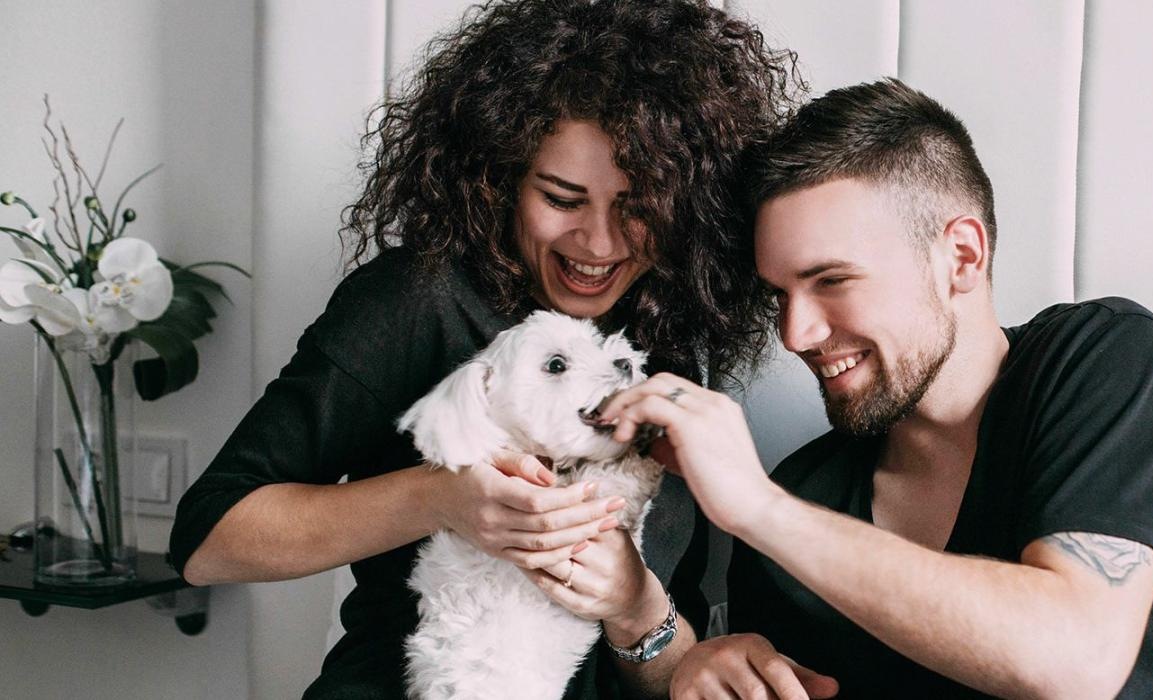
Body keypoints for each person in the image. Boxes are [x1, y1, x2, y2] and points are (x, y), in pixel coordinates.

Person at [595, 79, 1153, 698]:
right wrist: (699, 660)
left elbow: (1075, 658)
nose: (796, 334)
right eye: (780, 294)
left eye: (832, 281)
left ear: (961, 256)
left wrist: (757, 507)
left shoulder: (1102, 358)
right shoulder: (807, 502)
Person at [166, 1, 798, 697]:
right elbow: (208, 542)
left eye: (639, 206)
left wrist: (635, 609)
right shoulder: (419, 299)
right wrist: (442, 499)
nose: (599, 244)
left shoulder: (668, 335)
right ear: (500, 176)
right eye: (562, 197)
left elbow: (666, 659)